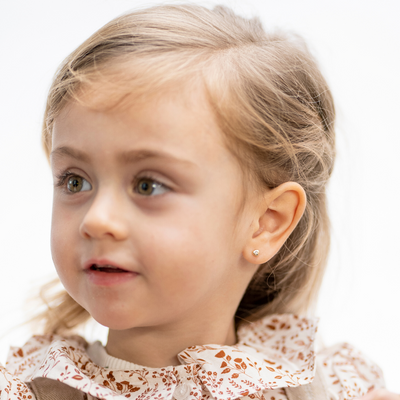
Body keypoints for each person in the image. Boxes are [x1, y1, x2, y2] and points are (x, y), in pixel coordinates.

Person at [0, 4, 397, 400]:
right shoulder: (26, 391)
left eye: (148, 186)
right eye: (75, 181)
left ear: (266, 222)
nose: (96, 219)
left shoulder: (340, 390)